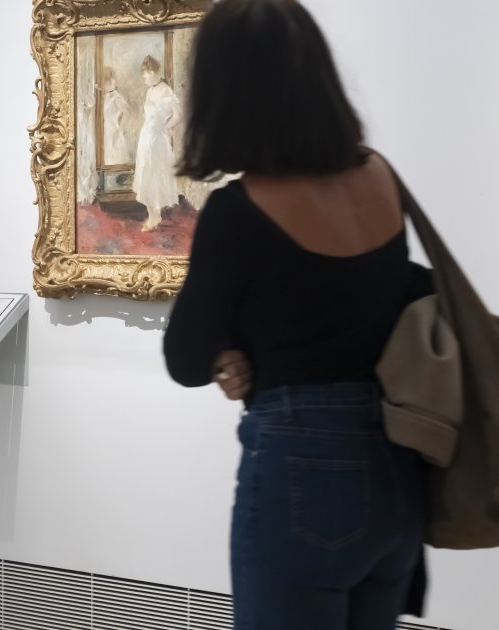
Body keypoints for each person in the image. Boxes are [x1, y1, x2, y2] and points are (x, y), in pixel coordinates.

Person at [163, 1, 430, 629]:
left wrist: (227, 349)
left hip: (304, 461)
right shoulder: (379, 177)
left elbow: (184, 358)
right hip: (399, 460)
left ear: (225, 91)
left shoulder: (240, 211)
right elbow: (379, 296)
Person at [133, 55, 182, 231]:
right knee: (146, 174)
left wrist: (165, 127)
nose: (143, 77)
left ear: (152, 72)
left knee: (154, 176)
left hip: (156, 140)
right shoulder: (150, 90)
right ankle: (153, 215)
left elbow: (178, 114)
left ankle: (155, 216)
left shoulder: (165, 91)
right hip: (146, 138)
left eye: (145, 73)